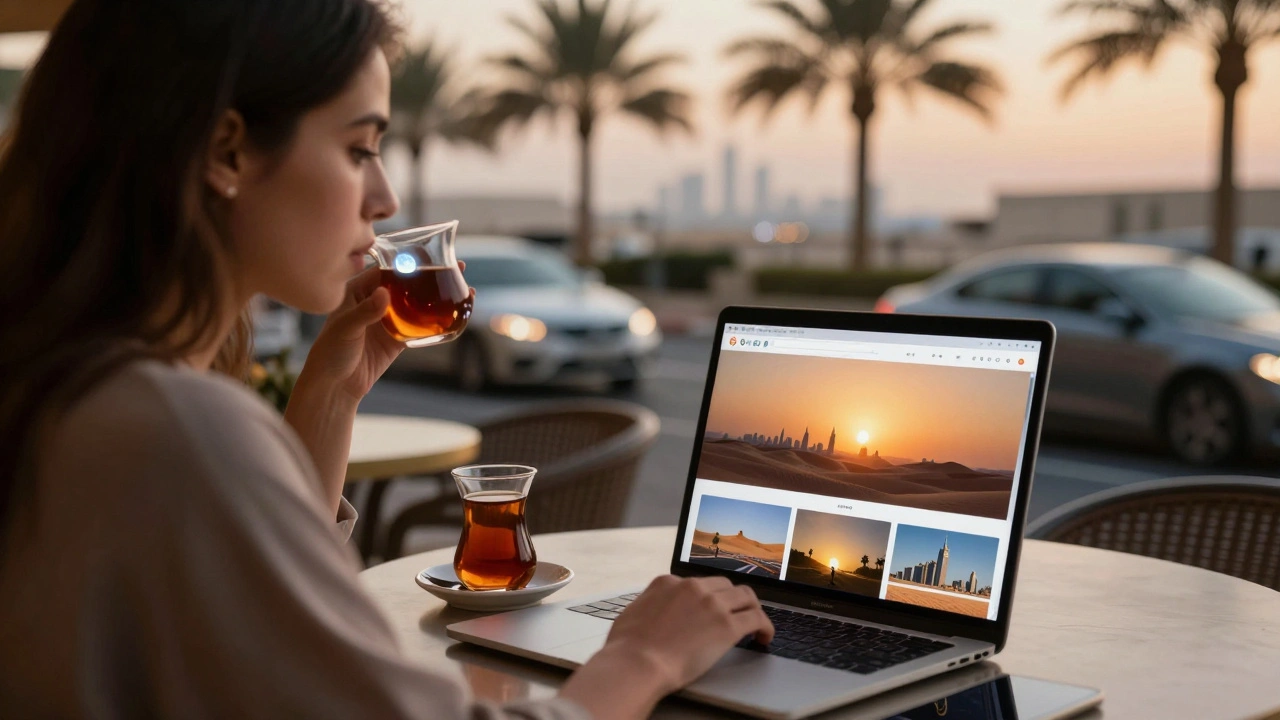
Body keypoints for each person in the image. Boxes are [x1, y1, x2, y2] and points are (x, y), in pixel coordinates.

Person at [0, 2, 773, 718]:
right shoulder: (173, 424)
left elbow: (264, 623)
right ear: (227, 151)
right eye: (359, 148)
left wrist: (331, 397)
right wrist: (642, 656)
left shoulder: (70, 389)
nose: (385, 199)